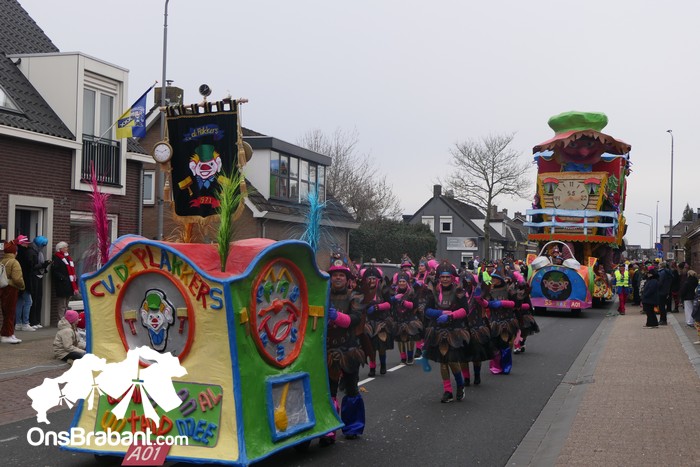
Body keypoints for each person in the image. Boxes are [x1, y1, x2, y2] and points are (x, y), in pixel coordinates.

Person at [322, 260, 366, 445]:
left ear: (347, 279)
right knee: (328, 390)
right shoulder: (322, 294)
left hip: (349, 349)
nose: (338, 278)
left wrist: (336, 316)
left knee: (351, 388)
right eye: (334, 275)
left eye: (341, 275)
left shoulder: (355, 296)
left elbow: (355, 318)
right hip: (327, 349)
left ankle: (352, 427)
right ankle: (329, 429)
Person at [423, 261, 471, 402]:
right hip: (438, 330)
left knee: (452, 361)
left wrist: (451, 315)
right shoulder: (433, 292)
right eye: (442, 277)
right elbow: (426, 310)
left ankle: (460, 385)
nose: (445, 279)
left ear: (452, 277)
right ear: (439, 278)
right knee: (443, 362)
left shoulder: (459, 291)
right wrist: (440, 313)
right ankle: (448, 391)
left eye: (447, 277)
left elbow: (465, 310)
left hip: (454, 330)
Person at [361, 266, 393, 377]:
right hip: (368, 322)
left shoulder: (383, 289)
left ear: (377, 279)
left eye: (374, 278)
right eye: (369, 278)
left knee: (381, 346)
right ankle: (372, 367)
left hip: (381, 320)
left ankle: (383, 365)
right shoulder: (362, 291)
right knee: (370, 347)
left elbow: (389, 304)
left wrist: (377, 307)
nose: (371, 281)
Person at [391, 272, 422, 365]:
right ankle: (403, 357)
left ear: (407, 282)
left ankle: (410, 357)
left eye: (403, 281)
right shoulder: (394, 292)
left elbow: (415, 305)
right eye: (400, 281)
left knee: (410, 336)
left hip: (409, 317)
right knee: (399, 337)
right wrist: (393, 299)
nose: (401, 283)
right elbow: (388, 302)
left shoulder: (412, 292)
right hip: (397, 317)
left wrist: (404, 302)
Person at [0, 240, 25, 344]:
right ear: (14, 252)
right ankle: (7, 335)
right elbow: (17, 278)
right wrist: (22, 286)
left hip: (3, 287)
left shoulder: (2, 261)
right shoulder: (14, 262)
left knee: (6, 312)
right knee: (10, 313)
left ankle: (9, 333)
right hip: (11, 289)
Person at [14, 235, 37, 332]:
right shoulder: (26, 254)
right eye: (26, 243)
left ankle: (18, 323)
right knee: (28, 302)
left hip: (17, 282)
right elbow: (28, 269)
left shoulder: (16, 254)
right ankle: (25, 323)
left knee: (19, 302)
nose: (27, 245)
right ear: (22, 244)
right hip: (24, 282)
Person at [51, 241, 79, 318]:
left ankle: (66, 319)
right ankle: (61, 319)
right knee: (62, 304)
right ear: (60, 249)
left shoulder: (68, 258)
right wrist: (63, 278)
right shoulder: (57, 258)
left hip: (69, 284)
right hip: (62, 285)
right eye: (65, 247)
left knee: (66, 304)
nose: (67, 249)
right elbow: (55, 271)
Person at [29, 236, 51, 328]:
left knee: (39, 299)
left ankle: (37, 320)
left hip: (39, 276)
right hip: (34, 277)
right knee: (34, 299)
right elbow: (32, 266)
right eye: (43, 245)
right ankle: (32, 321)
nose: (44, 247)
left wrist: (45, 266)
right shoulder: (32, 252)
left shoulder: (39, 253)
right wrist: (44, 264)